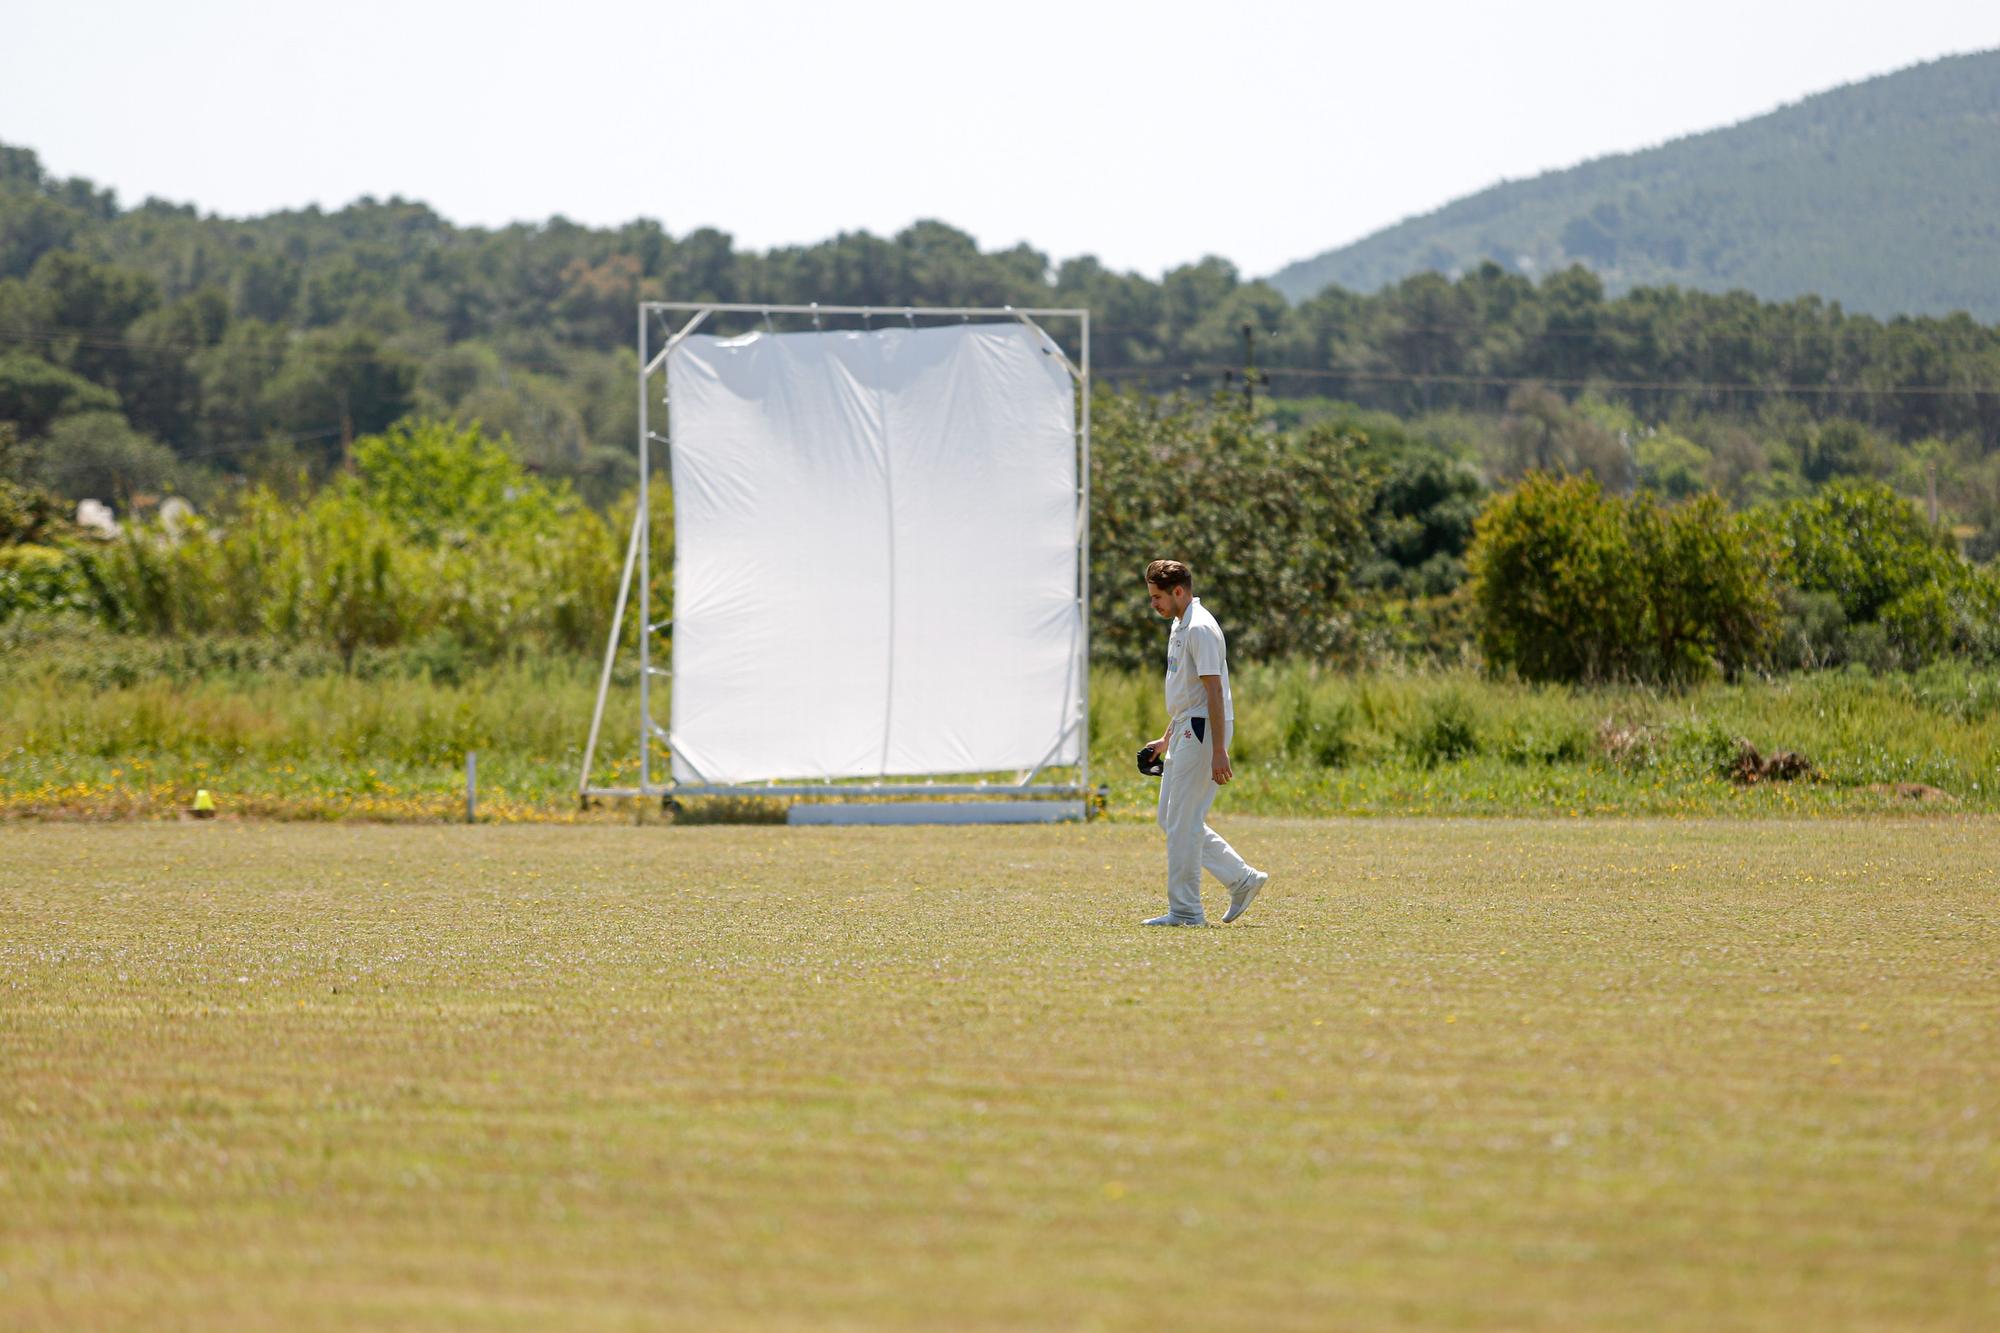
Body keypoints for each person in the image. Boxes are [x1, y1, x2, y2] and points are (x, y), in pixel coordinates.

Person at [1137, 559, 1268, 926]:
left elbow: (1214, 690)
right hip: (1186, 727)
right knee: (1171, 818)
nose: (1154, 605)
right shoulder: (1180, 625)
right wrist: (1165, 740)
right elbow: (1189, 692)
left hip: (1204, 730)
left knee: (1183, 822)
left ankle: (1186, 911)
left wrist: (1219, 749)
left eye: (1157, 597)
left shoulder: (1201, 628)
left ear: (1179, 591)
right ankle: (1242, 879)